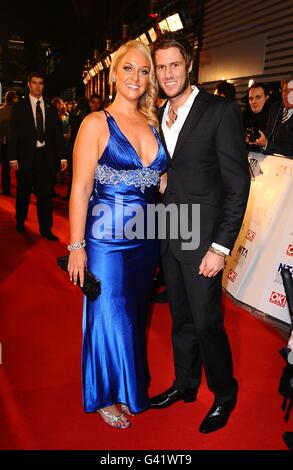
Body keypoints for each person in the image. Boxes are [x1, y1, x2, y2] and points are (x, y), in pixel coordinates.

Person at [150, 32, 250, 433]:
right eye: (161, 67)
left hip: (204, 240)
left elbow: (238, 185)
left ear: (189, 65)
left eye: (174, 65)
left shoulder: (220, 111)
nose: (168, 73)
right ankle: (186, 384)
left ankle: (225, 394)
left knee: (208, 323)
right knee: (181, 320)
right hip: (169, 234)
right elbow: (178, 166)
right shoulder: (160, 113)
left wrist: (220, 247)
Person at [67, 40, 167, 429]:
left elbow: (160, 179)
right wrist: (76, 247)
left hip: (146, 239)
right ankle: (105, 393)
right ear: (114, 73)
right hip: (105, 238)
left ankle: (128, 385)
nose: (136, 78)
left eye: (144, 71)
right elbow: (79, 189)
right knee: (108, 314)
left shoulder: (154, 123)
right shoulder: (95, 123)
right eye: (129, 68)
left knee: (134, 316)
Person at [9, 72, 67, 240]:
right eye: (34, 82)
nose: (37, 86)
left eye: (40, 83)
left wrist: (62, 157)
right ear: (28, 84)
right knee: (23, 193)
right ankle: (20, 221)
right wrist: (13, 158)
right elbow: (14, 134)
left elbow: (57, 134)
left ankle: (46, 229)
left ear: (43, 85)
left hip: (45, 158)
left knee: (45, 196)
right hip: (26, 157)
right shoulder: (20, 107)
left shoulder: (50, 107)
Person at [254, 78, 293, 157]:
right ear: (281, 93)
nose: (288, 95)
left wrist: (267, 144)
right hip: (270, 160)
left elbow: (290, 149)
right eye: (285, 91)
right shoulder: (275, 108)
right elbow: (268, 134)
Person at [242, 83, 271, 152]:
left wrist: (265, 143)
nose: (254, 101)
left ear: (266, 98)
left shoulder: (275, 118)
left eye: (258, 97)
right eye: (251, 98)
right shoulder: (243, 117)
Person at [0, 90, 18, 195]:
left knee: (6, 168)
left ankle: (7, 189)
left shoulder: (2, 111)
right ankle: (23, 189)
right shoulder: (20, 111)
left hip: (5, 142)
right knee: (20, 167)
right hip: (18, 143)